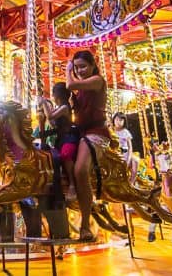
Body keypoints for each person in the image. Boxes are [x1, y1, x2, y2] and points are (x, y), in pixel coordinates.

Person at [66, 50, 107, 241]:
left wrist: (68, 71)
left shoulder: (97, 81)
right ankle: (71, 188)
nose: (79, 70)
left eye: (83, 66)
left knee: (81, 169)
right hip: (81, 132)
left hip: (96, 133)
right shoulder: (81, 90)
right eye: (76, 67)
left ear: (93, 65)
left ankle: (85, 225)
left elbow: (70, 83)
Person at [40, 82, 78, 200]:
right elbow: (52, 123)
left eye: (53, 94)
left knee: (65, 155)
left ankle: (72, 184)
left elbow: (51, 117)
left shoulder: (65, 107)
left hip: (69, 138)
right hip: (60, 139)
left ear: (58, 95)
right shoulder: (60, 108)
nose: (53, 97)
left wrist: (44, 103)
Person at [112, 112, 138, 184]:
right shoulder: (111, 131)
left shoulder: (125, 132)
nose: (118, 122)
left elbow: (130, 147)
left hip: (125, 152)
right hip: (115, 152)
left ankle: (131, 182)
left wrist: (129, 158)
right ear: (113, 120)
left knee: (135, 161)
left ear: (124, 121)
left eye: (121, 120)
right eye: (117, 119)